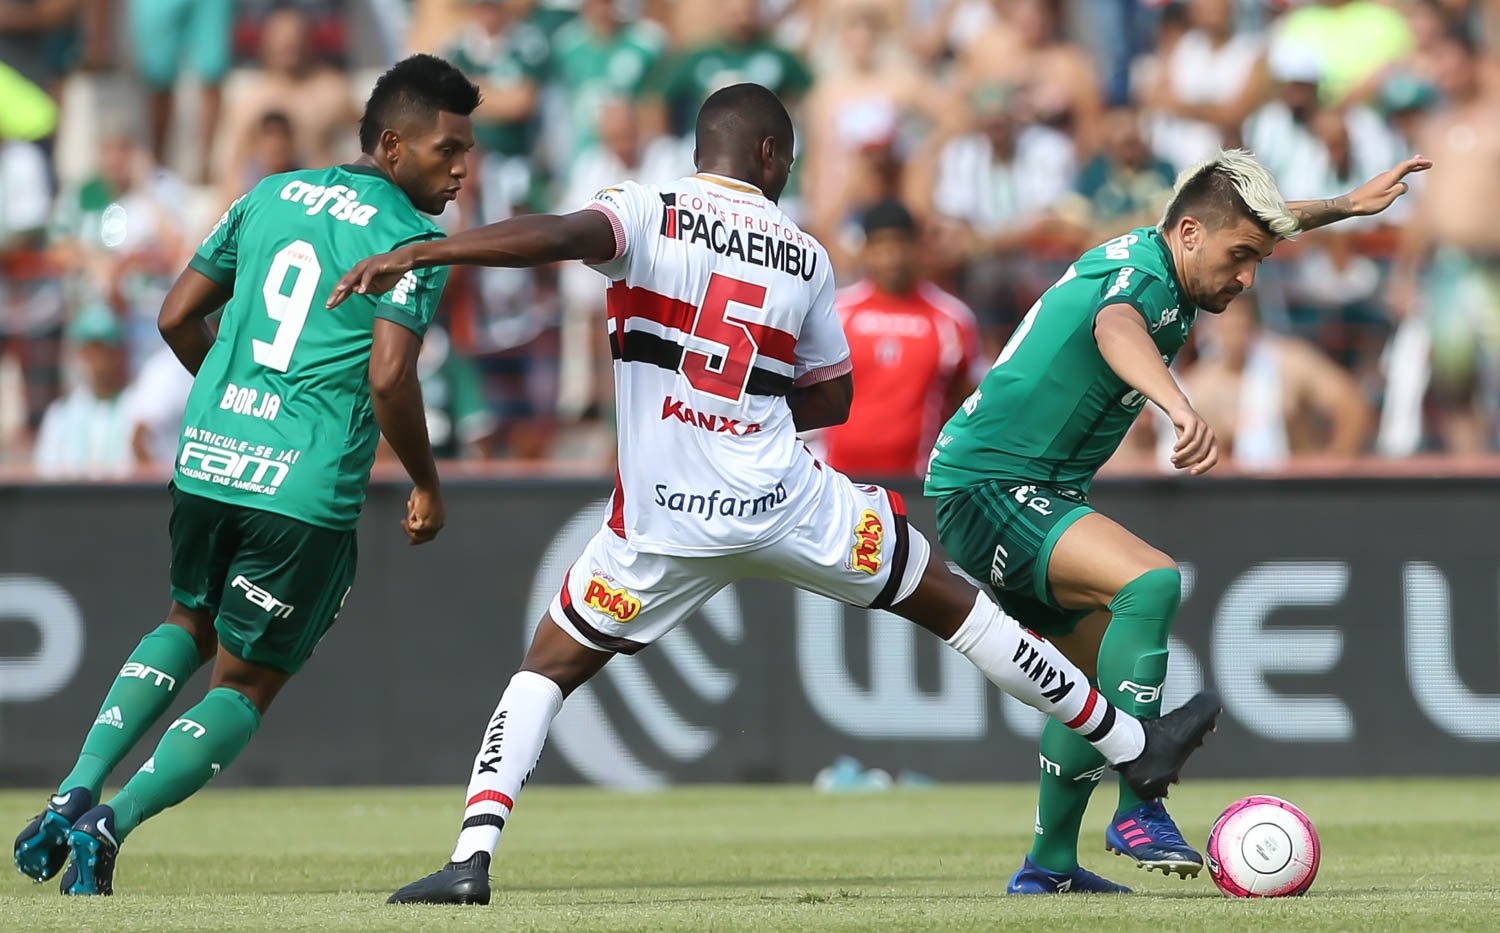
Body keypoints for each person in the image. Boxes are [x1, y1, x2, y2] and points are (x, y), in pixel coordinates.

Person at [329, 82, 1223, 906]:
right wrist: (748, 401)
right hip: (786, 500)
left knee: (546, 669)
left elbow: (556, 235)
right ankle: (1132, 745)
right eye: (787, 159)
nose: (787, 173)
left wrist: (432, 248)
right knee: (956, 607)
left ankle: (470, 858)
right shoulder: (803, 253)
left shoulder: (646, 209)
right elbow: (833, 397)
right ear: (766, 154)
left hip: (663, 520)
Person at [12, 54, 481, 896]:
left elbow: (174, 315)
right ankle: (110, 824)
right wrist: (427, 481)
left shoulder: (270, 194)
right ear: (392, 144)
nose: (460, 169)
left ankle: (73, 786)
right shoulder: (410, 241)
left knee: (186, 619)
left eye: (467, 152)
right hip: (301, 491)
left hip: (208, 460)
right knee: (245, 682)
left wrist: (234, 404)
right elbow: (388, 378)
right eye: (447, 149)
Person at [925, 148, 1427, 894]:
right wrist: (1179, 406)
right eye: (1240, 257)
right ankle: (1140, 804)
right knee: (1152, 581)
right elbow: (1115, 328)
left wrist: (1345, 206)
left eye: (1257, 259)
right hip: (991, 484)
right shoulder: (1145, 278)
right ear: (1190, 233)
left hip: (1028, 488)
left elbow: (1261, 223)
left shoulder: (1175, 257)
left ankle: (1048, 868)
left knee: (1092, 687)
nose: (1247, 276)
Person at [822, 200, 984, 478]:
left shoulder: (953, 319)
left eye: (900, 244)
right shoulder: (837, 313)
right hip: (840, 478)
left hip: (917, 481)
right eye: (881, 246)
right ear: (866, 250)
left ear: (917, 247)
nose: (892, 257)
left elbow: (970, 403)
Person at [1177, 295, 1374, 468]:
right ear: (1212, 328)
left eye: (1241, 322)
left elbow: (1352, 405)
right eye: (1228, 323)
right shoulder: (1200, 387)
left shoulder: (1291, 363)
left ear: (1254, 323)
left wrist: (1334, 465)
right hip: (1242, 491)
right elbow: (1201, 460)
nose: (1235, 332)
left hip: (1301, 486)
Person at [31, 305, 133, 479]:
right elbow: (45, 473)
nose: (98, 359)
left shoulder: (136, 407)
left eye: (104, 348)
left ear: (117, 353)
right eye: (91, 349)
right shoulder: (61, 414)